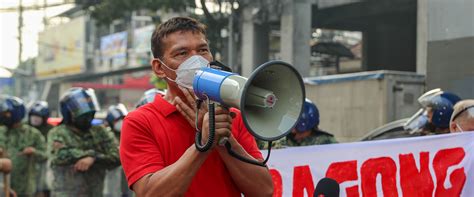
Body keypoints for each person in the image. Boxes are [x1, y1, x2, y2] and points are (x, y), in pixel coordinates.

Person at [120, 17, 273, 196]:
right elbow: (150, 193)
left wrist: (223, 139)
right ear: (159, 68)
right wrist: (204, 144)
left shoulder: (232, 115)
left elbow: (264, 190)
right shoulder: (140, 122)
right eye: (182, 53)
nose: (197, 60)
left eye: (202, 50)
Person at [47, 88, 120, 197]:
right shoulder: (58, 132)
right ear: (69, 114)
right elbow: (58, 155)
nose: (88, 118)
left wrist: (94, 158)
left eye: (90, 114)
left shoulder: (100, 131)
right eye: (83, 115)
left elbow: (117, 156)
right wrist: (91, 155)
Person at [0, 95, 47, 197]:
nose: (3, 116)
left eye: (6, 114)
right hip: (3, 187)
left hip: (26, 188)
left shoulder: (33, 134)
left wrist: (34, 152)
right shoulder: (1, 132)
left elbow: (46, 155)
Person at [103, 104, 131, 197]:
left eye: (122, 119)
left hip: (128, 179)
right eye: (117, 120)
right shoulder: (105, 135)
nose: (121, 122)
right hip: (111, 179)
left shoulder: (130, 134)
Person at [27, 101, 53, 197]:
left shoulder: (51, 130)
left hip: (45, 166)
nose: (35, 119)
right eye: (33, 116)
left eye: (38, 116)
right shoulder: (25, 129)